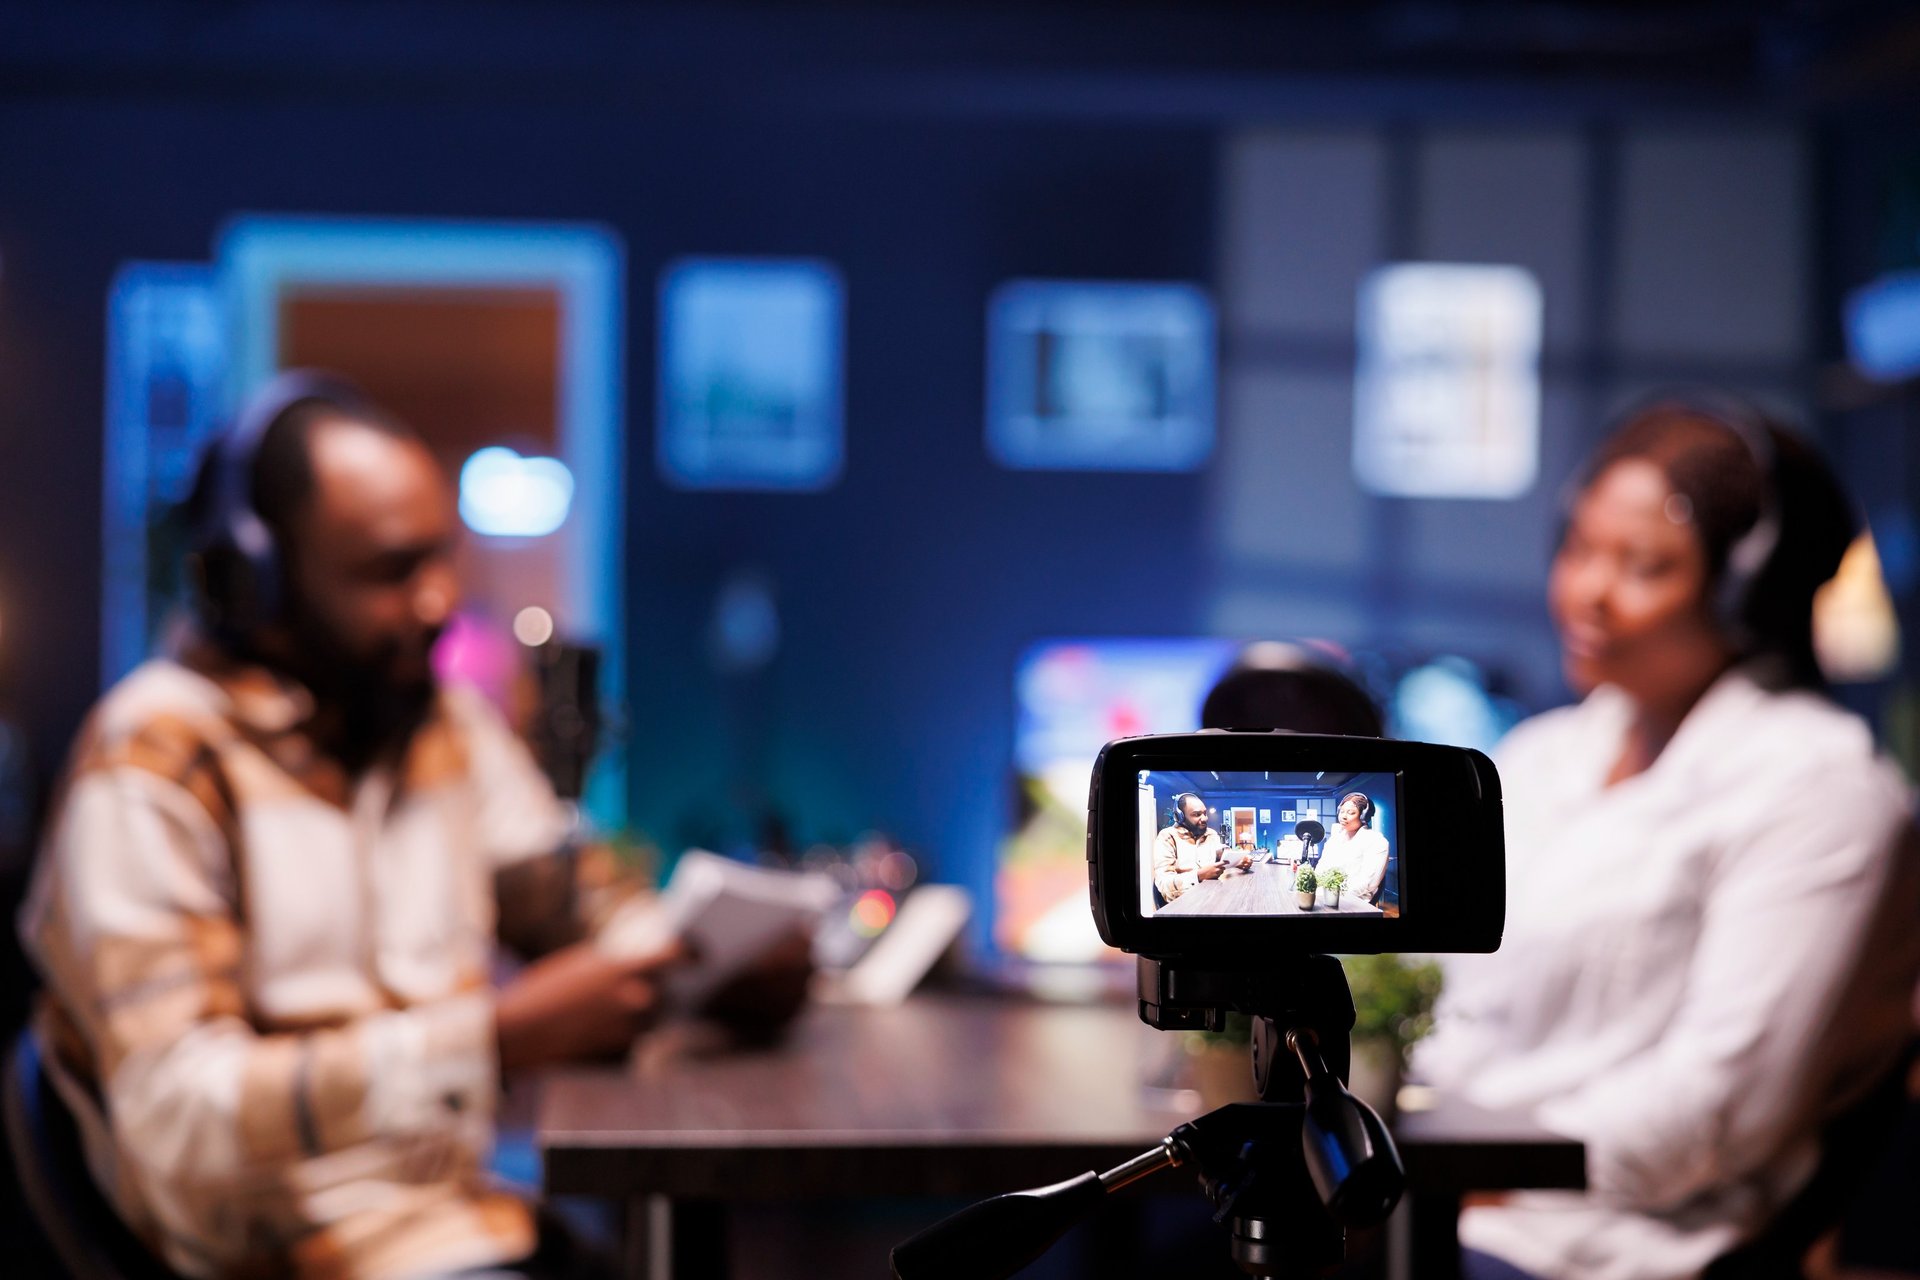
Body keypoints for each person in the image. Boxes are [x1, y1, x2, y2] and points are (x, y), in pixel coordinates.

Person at [19, 372, 805, 1280]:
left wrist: (697, 971)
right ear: (252, 584)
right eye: (389, 572)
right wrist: (494, 1040)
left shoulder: (436, 724)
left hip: (464, 1228)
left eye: (438, 559)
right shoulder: (153, 760)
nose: (438, 602)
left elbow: (578, 897)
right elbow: (178, 1117)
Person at [1413, 394, 1920, 1280]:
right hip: (1443, 1204)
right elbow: (1449, 1008)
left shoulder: (1824, 793)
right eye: (1578, 550)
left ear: (1745, 596)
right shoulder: (1542, 755)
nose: (1588, 593)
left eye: (1644, 566)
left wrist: (1471, 1174)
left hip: (1604, 1249)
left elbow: (1715, 1112)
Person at [1151, 792, 1245, 903]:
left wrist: (1238, 861)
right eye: (1197, 814)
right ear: (1180, 817)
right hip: (1184, 904)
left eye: (1205, 813)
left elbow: (1220, 854)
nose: (1204, 818)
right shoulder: (1167, 837)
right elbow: (1164, 884)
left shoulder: (1211, 834)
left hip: (1212, 898)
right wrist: (1199, 875)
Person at [1314, 791, 1390, 904]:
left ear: (1364, 816)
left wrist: (1329, 894)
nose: (1343, 816)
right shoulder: (1334, 840)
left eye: (1351, 813)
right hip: (1325, 897)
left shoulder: (1377, 841)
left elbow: (1366, 884)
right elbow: (1320, 870)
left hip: (1356, 903)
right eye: (1342, 812)